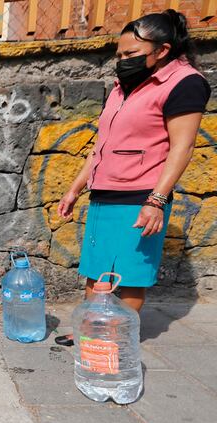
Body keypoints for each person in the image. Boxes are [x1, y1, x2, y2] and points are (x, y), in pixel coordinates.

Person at [55, 9, 210, 346]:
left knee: (129, 274)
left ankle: (115, 341)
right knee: (95, 269)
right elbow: (102, 144)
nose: (122, 60)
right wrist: (75, 188)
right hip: (105, 192)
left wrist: (156, 200)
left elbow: (181, 148)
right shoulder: (123, 85)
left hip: (142, 194)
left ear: (163, 50)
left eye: (131, 54)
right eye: (120, 54)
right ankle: (90, 331)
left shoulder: (185, 84)